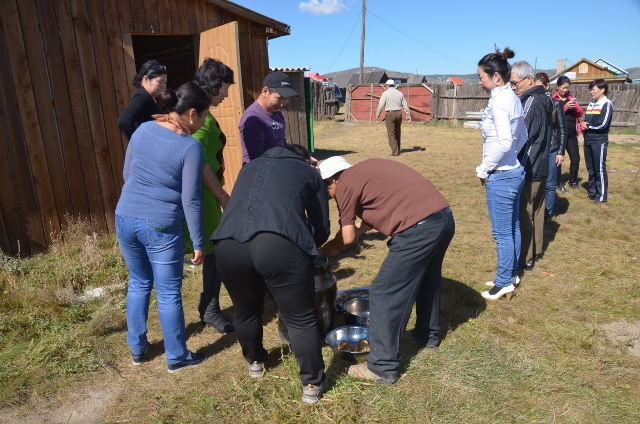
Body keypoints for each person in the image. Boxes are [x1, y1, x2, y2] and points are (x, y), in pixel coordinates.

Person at [212, 145, 330, 404]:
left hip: (227, 243)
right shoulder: (311, 173)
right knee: (300, 317)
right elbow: (322, 231)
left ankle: (254, 362)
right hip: (278, 244)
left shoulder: (248, 168)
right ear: (304, 158)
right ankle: (312, 383)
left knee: (245, 310)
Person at [319, 156, 454, 383]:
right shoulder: (367, 170)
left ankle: (381, 367)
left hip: (418, 231)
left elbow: (348, 237)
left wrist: (331, 248)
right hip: (442, 219)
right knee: (427, 280)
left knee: (383, 293)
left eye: (328, 192)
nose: (331, 197)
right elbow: (376, 211)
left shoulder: (345, 184)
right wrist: (359, 231)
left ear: (332, 180)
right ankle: (426, 335)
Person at [115, 82, 211, 373]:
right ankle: (177, 357)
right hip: (159, 224)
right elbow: (191, 200)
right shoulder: (190, 146)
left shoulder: (143, 129)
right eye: (205, 116)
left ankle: (137, 349)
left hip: (124, 216)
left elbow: (126, 173)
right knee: (168, 292)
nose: (204, 122)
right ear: (192, 113)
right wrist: (198, 242)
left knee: (139, 283)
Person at [185, 58, 236, 334]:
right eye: (225, 87)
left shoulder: (203, 111)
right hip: (204, 195)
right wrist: (221, 194)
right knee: (214, 250)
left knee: (215, 249)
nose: (227, 94)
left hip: (207, 193)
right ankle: (210, 308)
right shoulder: (201, 117)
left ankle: (210, 304)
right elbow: (198, 156)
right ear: (214, 85)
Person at [475, 47, 528, 300]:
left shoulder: (500, 102)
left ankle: (504, 281)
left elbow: (505, 142)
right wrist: (512, 158)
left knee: (502, 233)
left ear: (496, 77)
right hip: (514, 170)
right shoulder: (513, 98)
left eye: (481, 77)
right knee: (513, 226)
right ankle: (511, 273)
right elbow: (522, 137)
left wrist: (485, 168)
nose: (479, 82)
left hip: (502, 175)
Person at [510, 61, 553, 272]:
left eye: (515, 83)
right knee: (537, 209)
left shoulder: (529, 101)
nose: (513, 87)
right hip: (544, 164)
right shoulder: (546, 98)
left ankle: (525, 257)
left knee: (524, 213)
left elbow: (520, 134)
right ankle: (536, 251)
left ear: (528, 80)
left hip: (530, 165)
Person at [239, 71, 298, 164]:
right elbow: (257, 158)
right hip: (260, 173)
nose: (282, 104)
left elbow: (282, 143)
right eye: (279, 98)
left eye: (286, 99)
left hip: (277, 167)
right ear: (265, 91)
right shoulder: (253, 118)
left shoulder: (278, 114)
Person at [535, 73, 567, 223]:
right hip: (537, 150)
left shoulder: (556, 104)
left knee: (549, 183)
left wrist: (560, 152)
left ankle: (547, 215)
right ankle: (537, 212)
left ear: (547, 86)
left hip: (552, 149)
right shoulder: (533, 103)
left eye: (541, 86)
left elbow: (562, 128)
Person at [118, 60, 167, 140]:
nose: (164, 86)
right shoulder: (142, 97)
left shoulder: (150, 98)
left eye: (165, 82)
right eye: (160, 82)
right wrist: (139, 143)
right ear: (146, 79)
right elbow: (124, 120)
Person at [581, 79, 612, 204]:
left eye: (593, 89)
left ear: (602, 89)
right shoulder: (591, 104)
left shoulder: (606, 103)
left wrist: (587, 126)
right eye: (591, 89)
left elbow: (603, 124)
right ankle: (592, 193)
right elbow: (586, 120)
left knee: (599, 169)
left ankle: (601, 196)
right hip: (588, 140)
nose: (591, 92)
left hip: (599, 141)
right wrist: (583, 124)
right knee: (591, 169)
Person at [553, 76, 584, 190]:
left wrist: (575, 107)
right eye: (563, 87)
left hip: (571, 133)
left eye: (567, 88)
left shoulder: (571, 98)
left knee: (575, 158)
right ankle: (558, 182)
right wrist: (565, 107)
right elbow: (553, 115)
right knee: (558, 159)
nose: (565, 90)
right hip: (559, 134)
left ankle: (573, 181)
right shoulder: (554, 99)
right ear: (557, 87)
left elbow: (580, 113)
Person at [376, 79, 411, 156]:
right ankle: (398, 149)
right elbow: (405, 105)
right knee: (397, 132)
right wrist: (408, 115)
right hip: (399, 113)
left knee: (391, 133)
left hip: (390, 114)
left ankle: (395, 152)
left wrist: (377, 114)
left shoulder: (385, 93)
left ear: (388, 85)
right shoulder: (399, 93)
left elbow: (381, 104)